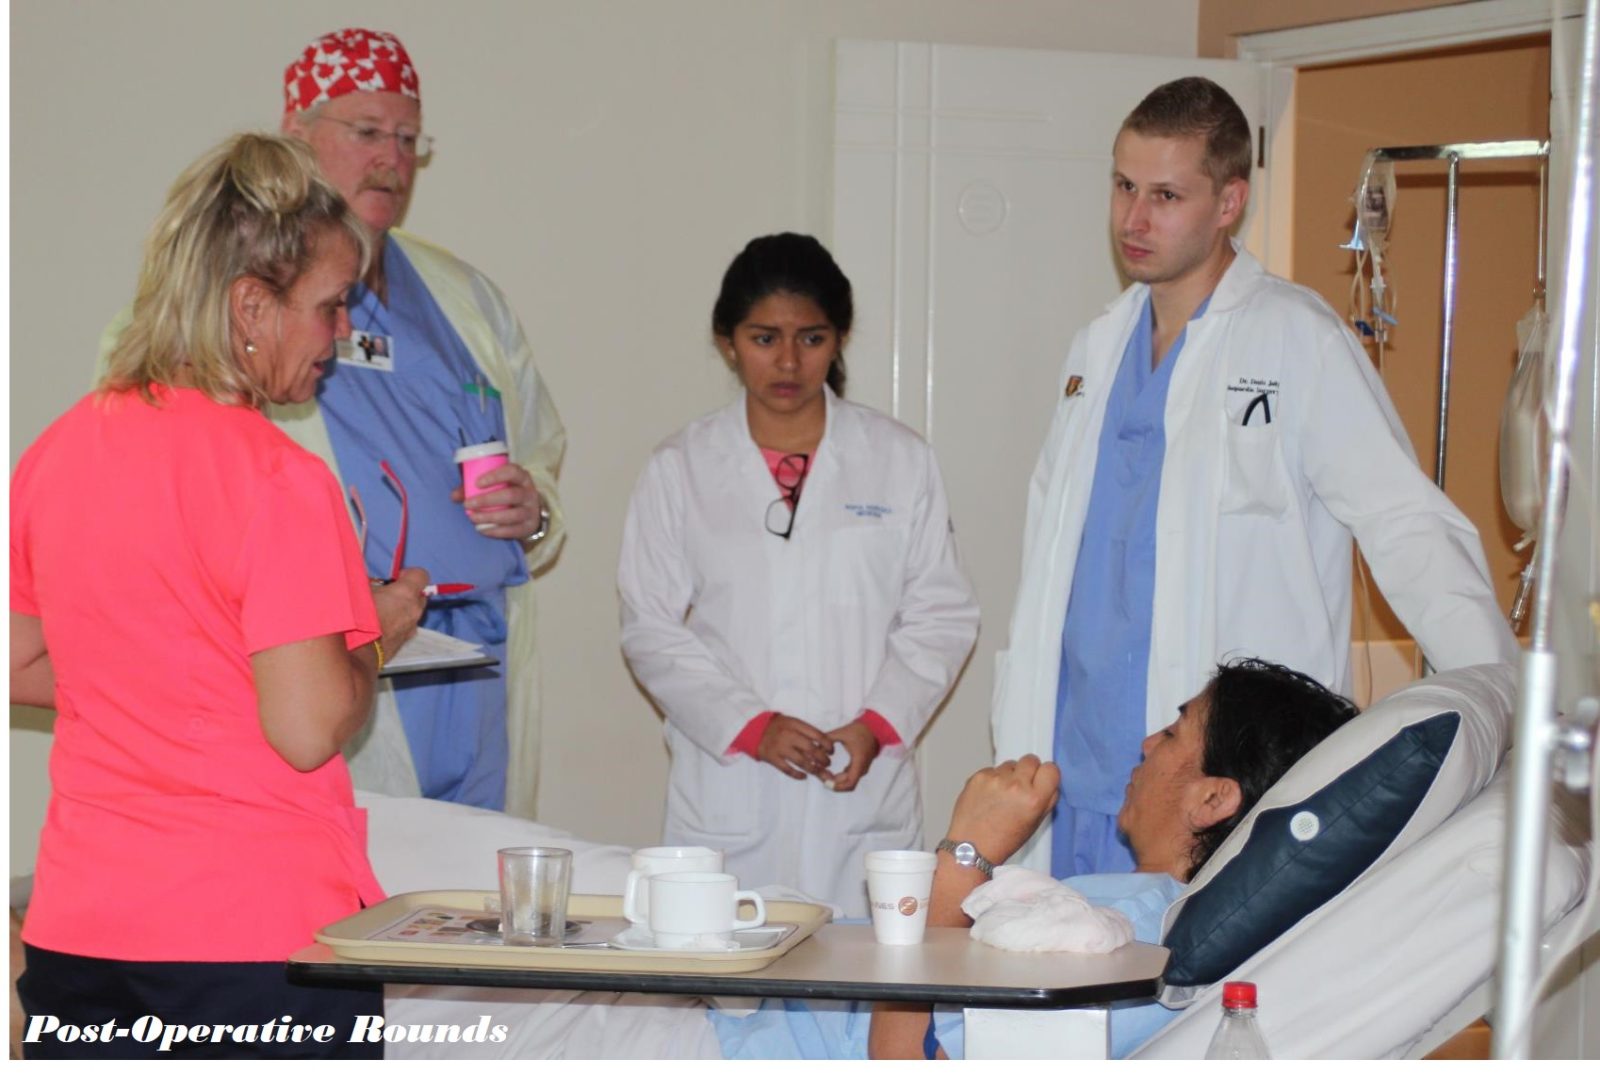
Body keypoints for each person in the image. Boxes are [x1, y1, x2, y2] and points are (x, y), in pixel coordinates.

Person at [991, 76, 1518, 877]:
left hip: (1218, 785)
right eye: (1124, 186)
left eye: (1166, 195)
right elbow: (1049, 562)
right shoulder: (1095, 351)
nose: (1133, 219)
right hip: (1077, 775)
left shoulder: (1296, 340)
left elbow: (1407, 527)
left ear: (1229, 202)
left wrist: (1508, 712)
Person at [10, 133, 429, 1058]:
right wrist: (374, 632)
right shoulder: (277, 480)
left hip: (81, 933)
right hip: (251, 945)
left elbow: (24, 663)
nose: (338, 335)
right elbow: (306, 728)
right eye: (329, 306)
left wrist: (191, 690)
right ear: (251, 306)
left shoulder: (57, 452)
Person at [617, 233, 979, 915]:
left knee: (864, 969)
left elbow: (943, 614)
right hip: (731, 792)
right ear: (727, 342)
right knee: (725, 964)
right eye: (764, 339)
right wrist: (751, 727)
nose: (788, 362)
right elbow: (649, 629)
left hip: (860, 790)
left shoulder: (899, 459)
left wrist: (877, 725)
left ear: (839, 340)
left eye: (811, 339)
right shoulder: (681, 467)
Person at [275, 27, 566, 813]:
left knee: (476, 871)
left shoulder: (464, 297)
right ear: (297, 133)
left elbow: (541, 450)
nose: (392, 160)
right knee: (357, 870)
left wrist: (537, 512)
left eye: (408, 140)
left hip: (478, 659)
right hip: (350, 654)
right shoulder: (252, 299)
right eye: (368, 132)